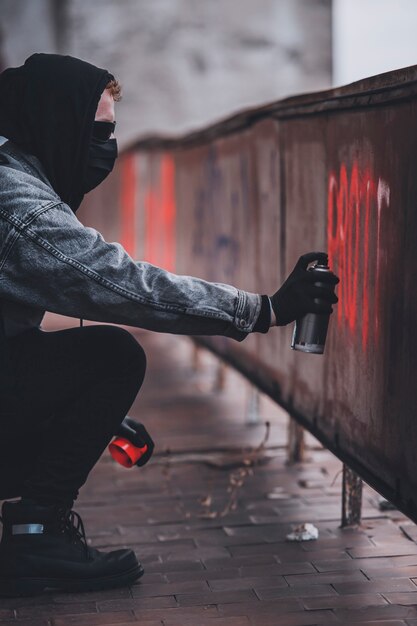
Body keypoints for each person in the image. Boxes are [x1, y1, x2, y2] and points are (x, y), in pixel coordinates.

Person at [0, 53, 338, 597]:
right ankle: (35, 537)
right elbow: (119, 284)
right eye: (99, 132)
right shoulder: (14, 203)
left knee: (79, 378)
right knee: (113, 355)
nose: (107, 147)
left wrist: (76, 412)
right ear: (55, 123)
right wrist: (264, 310)